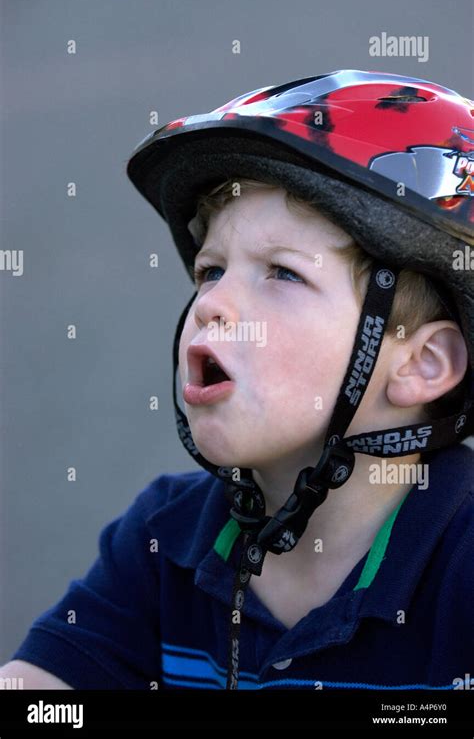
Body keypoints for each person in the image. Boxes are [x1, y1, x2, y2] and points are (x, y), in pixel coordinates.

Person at [1, 69, 473, 690]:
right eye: (211, 270)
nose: (212, 304)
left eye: (281, 273)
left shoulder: (461, 565)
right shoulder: (167, 538)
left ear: (421, 364)